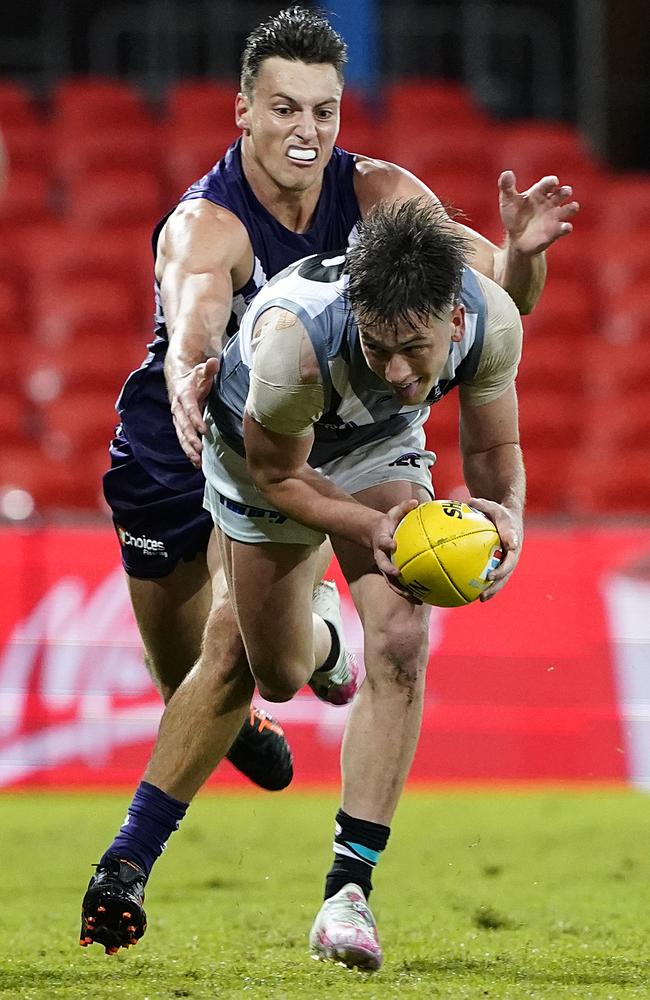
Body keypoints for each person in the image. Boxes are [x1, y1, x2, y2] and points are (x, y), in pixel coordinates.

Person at [81, 5, 577, 955]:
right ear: (243, 111)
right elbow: (193, 318)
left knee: (394, 629)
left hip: (357, 433)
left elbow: (490, 306)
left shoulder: (387, 194)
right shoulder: (208, 224)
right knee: (224, 671)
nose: (307, 131)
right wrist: (192, 364)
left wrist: (518, 257)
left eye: (324, 110)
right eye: (284, 109)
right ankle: (310, 649)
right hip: (198, 433)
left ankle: (341, 890)